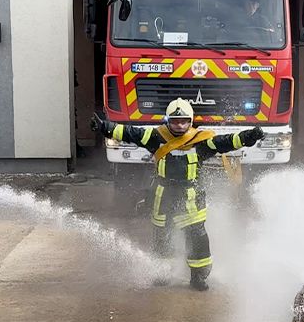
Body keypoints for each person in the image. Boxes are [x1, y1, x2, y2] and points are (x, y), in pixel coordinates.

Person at [91, 98, 264, 290]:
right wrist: (104, 127)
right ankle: (163, 272)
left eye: (183, 121)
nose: (179, 125)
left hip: (191, 195)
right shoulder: (156, 137)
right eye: (174, 121)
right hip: (163, 194)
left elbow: (226, 142)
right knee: (161, 234)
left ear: (190, 121)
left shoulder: (201, 141)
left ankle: (199, 277)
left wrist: (250, 136)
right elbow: (131, 133)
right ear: (167, 121)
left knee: (196, 236)